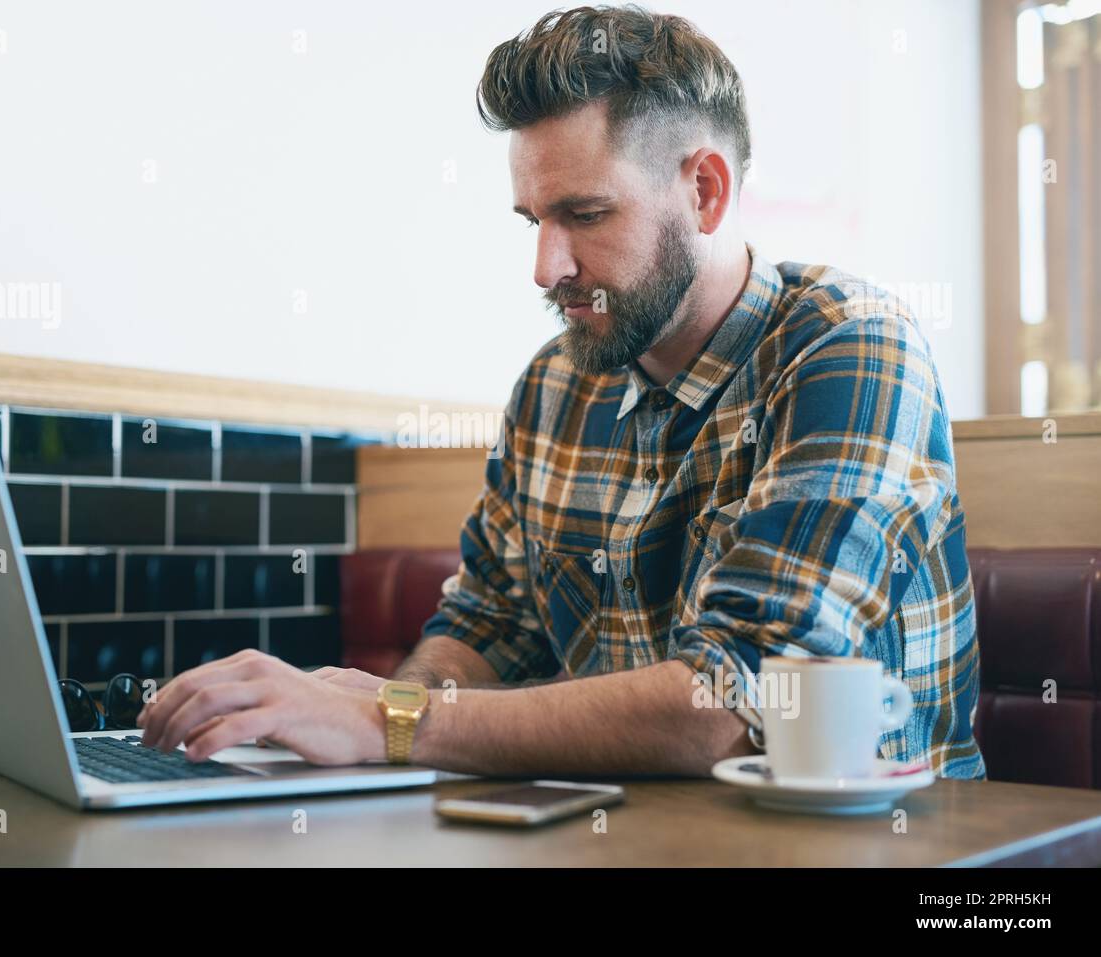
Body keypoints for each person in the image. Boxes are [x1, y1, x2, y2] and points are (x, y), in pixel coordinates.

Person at [139, 5, 985, 780]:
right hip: (618, 836)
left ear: (706, 191)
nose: (545, 268)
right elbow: (486, 628)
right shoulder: (552, 386)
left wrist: (391, 723)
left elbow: (737, 703)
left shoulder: (848, 346)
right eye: (531, 220)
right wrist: (368, 718)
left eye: (584, 216)